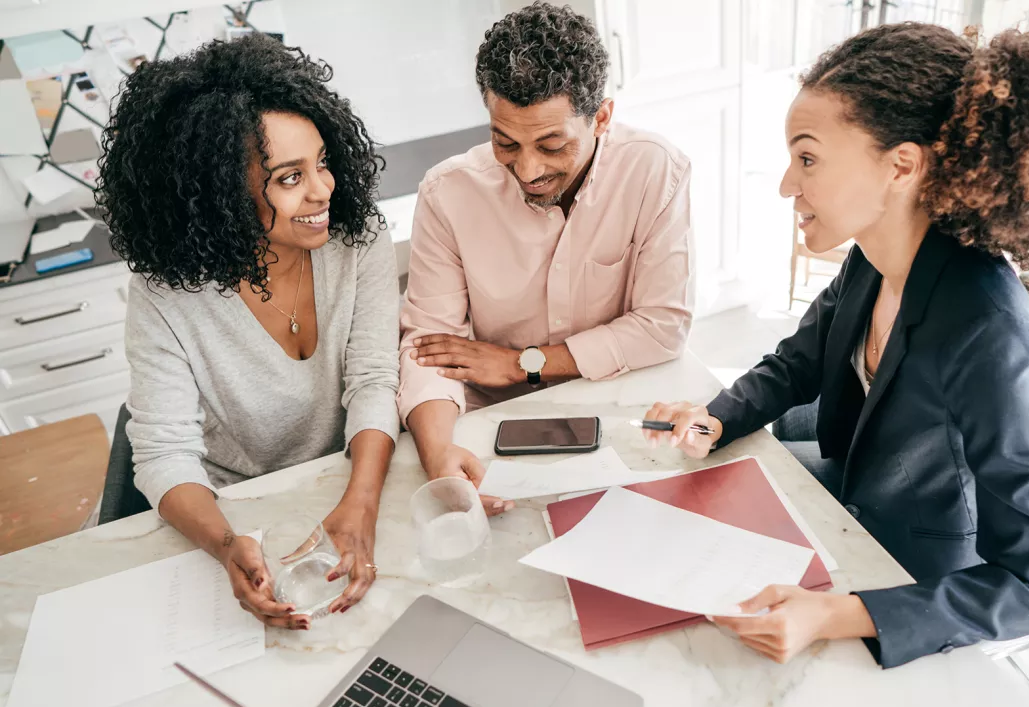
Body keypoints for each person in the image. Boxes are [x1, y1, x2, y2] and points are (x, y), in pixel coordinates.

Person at [643, 23, 1029, 668]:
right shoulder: (875, 259)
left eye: (808, 158)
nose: (787, 186)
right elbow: (797, 363)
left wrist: (837, 614)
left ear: (902, 165)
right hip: (842, 508)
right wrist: (717, 416)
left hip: (912, 578)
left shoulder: (988, 330)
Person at [98, 35, 401, 629]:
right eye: (290, 178)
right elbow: (162, 454)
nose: (323, 190)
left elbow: (373, 379)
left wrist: (360, 502)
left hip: (349, 476)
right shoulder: (167, 295)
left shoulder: (357, 239)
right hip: (240, 509)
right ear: (219, 195)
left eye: (323, 162)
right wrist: (224, 543)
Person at [398, 1, 695, 501]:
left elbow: (663, 325)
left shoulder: (656, 171)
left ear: (601, 117)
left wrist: (524, 363)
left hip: (617, 416)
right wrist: (437, 454)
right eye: (505, 143)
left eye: (553, 146)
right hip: (487, 428)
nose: (528, 170)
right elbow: (430, 347)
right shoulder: (447, 192)